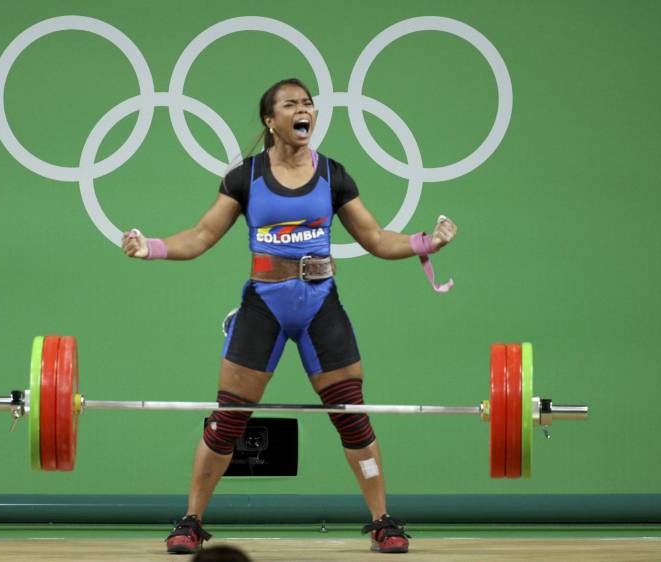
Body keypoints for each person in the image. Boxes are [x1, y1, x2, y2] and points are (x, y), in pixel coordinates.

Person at [121, 78, 457, 555]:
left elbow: (377, 239)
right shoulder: (245, 177)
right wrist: (150, 247)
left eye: (308, 104)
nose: (304, 110)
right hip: (265, 306)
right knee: (228, 420)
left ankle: (383, 521)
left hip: (321, 306)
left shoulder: (334, 176)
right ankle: (191, 521)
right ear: (270, 120)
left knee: (352, 417)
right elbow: (199, 236)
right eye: (291, 104)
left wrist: (428, 242)